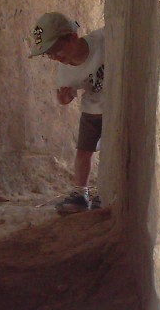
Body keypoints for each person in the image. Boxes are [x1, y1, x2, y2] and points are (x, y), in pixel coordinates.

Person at [29, 12, 104, 213]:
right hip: (91, 110)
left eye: (57, 50)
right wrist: (64, 98)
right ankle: (80, 194)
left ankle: (106, 190)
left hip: (113, 111)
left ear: (72, 38)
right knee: (83, 152)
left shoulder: (104, 40)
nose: (55, 58)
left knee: (111, 150)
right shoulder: (66, 71)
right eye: (49, 54)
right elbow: (64, 97)